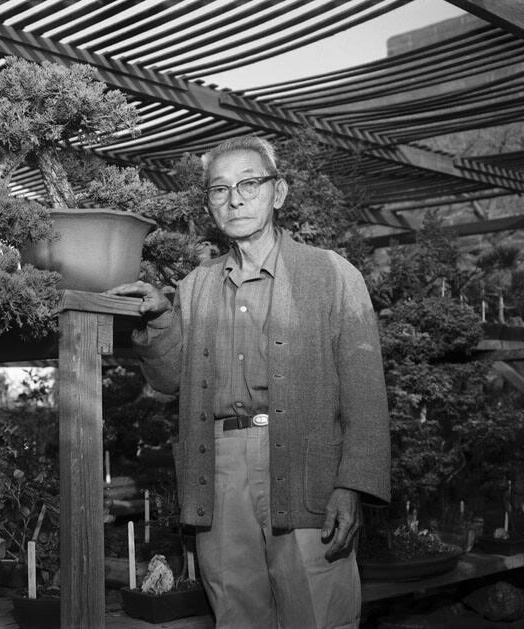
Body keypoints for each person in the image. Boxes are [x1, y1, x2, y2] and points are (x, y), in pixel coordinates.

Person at [108, 135, 390, 628]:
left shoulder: (332, 274)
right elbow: (170, 381)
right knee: (236, 612)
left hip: (306, 465)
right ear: (210, 203)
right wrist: (158, 321)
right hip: (218, 469)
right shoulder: (195, 287)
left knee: (318, 609)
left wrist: (353, 486)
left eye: (249, 183)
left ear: (277, 193)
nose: (234, 198)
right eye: (219, 189)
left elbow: (366, 393)